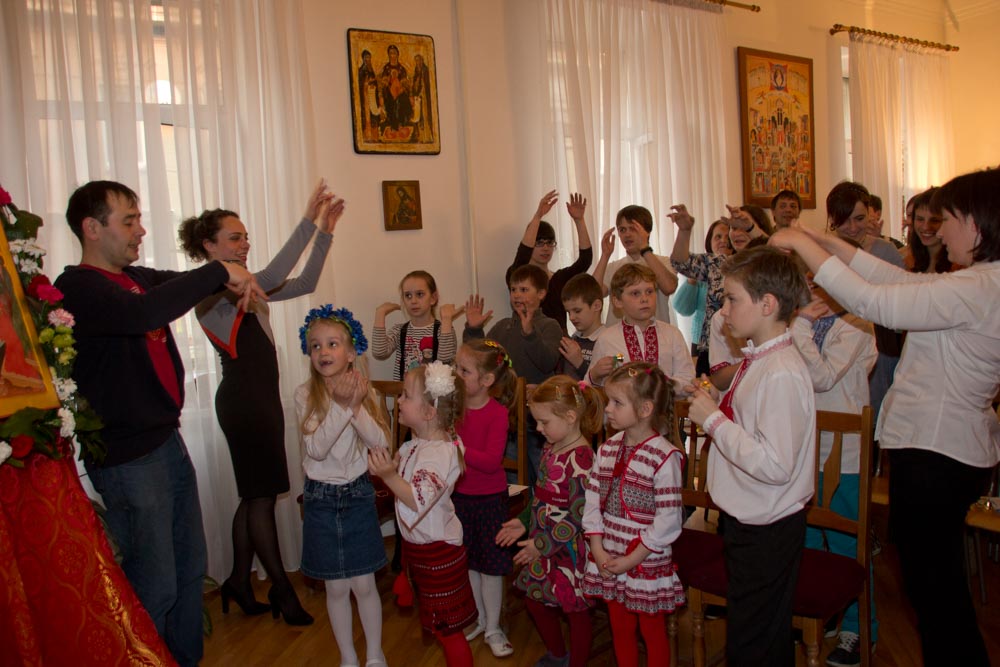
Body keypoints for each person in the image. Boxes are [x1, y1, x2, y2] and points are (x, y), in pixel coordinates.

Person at [769, 168, 1000, 667]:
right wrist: (821, 239)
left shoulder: (981, 287)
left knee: (937, 597)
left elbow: (875, 302)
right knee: (935, 594)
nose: (938, 230)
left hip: (939, 452)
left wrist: (801, 244)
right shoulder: (977, 282)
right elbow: (895, 280)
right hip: (940, 449)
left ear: (977, 224)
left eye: (948, 218)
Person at [55, 180, 265, 666]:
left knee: (190, 572)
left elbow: (177, 287)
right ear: (91, 228)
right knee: (155, 585)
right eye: (128, 220)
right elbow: (144, 313)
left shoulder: (134, 276)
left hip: (167, 445)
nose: (141, 230)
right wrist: (220, 270)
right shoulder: (79, 286)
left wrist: (228, 274)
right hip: (129, 460)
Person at [178, 181, 342, 625]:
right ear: (209, 246)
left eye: (245, 236)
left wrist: (325, 231)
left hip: (259, 401)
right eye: (235, 238)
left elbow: (304, 282)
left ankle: (237, 580)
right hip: (244, 404)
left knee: (255, 496)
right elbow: (270, 276)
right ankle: (283, 592)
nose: (244, 244)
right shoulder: (212, 290)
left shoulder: (243, 286)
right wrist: (308, 219)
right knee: (262, 497)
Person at [685, 246, 815, 667]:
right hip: (752, 519)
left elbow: (774, 465)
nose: (723, 310)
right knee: (758, 634)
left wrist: (712, 420)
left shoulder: (780, 371)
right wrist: (714, 401)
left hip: (767, 527)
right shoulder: (761, 359)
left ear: (767, 304)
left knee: (753, 641)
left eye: (731, 299)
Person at [295, 305, 390, 666]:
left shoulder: (365, 392)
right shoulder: (304, 395)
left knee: (364, 585)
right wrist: (340, 406)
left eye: (332, 344)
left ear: (351, 353)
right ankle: (348, 657)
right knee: (335, 587)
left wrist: (355, 405)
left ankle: (375, 655)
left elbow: (379, 443)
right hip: (320, 499)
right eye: (316, 345)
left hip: (357, 494)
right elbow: (317, 449)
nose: (323, 351)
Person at [790, 276, 878, 667]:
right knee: (808, 539)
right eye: (808, 280)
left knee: (846, 543)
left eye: (821, 281)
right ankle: (819, 612)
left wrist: (799, 326)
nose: (813, 288)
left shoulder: (857, 323)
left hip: (844, 452)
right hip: (806, 446)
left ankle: (858, 628)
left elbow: (823, 377)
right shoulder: (802, 320)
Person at [368, 362, 478, 667]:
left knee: (448, 629)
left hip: (438, 553)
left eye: (406, 395)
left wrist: (389, 476)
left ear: (429, 412)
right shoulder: (416, 445)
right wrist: (387, 470)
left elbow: (417, 498)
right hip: (421, 552)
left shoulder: (439, 453)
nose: (399, 400)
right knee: (442, 628)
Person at [582, 362, 686, 667]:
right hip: (610, 552)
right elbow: (593, 500)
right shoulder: (607, 449)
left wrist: (632, 559)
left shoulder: (664, 457)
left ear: (644, 409)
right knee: (620, 628)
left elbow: (668, 521)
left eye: (617, 402)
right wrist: (597, 547)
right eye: (608, 401)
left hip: (644, 560)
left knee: (652, 632)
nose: (608, 409)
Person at [505, 375, 604, 667]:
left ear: (570, 417)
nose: (538, 428)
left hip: (568, 551)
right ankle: (558, 655)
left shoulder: (582, 459)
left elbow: (578, 516)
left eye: (544, 422)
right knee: (534, 601)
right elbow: (540, 494)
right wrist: (524, 521)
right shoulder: (551, 448)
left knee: (576, 611)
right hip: (542, 543)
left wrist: (541, 544)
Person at [452, 339, 519, 658]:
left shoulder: (498, 414)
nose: (456, 374)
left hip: (490, 500)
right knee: (469, 563)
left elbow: (492, 461)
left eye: (464, 370)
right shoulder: (454, 408)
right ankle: (479, 619)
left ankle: (493, 626)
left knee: (491, 568)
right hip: (459, 497)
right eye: (456, 367)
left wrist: (458, 447)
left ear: (487, 379)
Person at [826, 181, 904, 431]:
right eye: (844, 220)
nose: (852, 228)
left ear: (870, 214)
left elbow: (901, 304)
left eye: (859, 219)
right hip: (831, 344)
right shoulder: (820, 250)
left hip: (880, 344)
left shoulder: (885, 251)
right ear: (832, 219)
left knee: (874, 415)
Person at [587, 263, 694, 394]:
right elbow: (588, 388)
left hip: (665, 406)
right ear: (617, 301)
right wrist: (595, 374)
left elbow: (688, 378)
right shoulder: (606, 339)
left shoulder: (672, 335)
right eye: (635, 293)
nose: (644, 299)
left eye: (649, 291)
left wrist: (661, 384)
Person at [505, 191, 594, 332]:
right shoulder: (518, 276)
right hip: (526, 340)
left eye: (550, 243)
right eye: (539, 243)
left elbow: (585, 260)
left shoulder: (558, 279)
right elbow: (523, 254)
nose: (545, 248)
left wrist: (579, 220)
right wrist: (538, 216)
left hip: (558, 342)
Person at [463, 264, 562, 386]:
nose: (516, 295)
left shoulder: (549, 325)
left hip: (536, 395)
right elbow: (479, 358)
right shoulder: (502, 326)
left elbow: (547, 364)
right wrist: (473, 330)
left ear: (541, 293)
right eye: (513, 289)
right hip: (504, 394)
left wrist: (530, 334)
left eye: (523, 290)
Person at [669, 208, 736, 375]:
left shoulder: (753, 263)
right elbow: (679, 263)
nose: (724, 241)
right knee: (706, 388)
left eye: (728, 236)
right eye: (718, 237)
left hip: (743, 341)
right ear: (709, 242)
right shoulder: (711, 263)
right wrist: (684, 231)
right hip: (708, 344)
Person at [592, 204, 678, 326]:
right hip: (617, 335)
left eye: (633, 228)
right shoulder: (613, 267)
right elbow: (593, 295)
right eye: (622, 230)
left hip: (655, 334)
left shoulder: (663, 262)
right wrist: (605, 255)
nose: (627, 235)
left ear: (647, 232)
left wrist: (645, 248)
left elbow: (669, 287)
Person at [372, 269, 460, 380]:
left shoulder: (443, 330)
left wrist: (447, 320)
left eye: (419, 294)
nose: (413, 301)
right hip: (405, 390)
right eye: (408, 295)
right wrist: (380, 313)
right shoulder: (399, 330)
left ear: (433, 298)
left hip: (434, 391)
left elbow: (445, 360)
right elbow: (379, 353)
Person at [558, 273, 605, 381]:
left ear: (596, 306)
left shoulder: (610, 340)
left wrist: (580, 363)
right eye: (568, 312)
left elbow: (610, 381)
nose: (571, 317)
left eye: (577, 311)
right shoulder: (572, 340)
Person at [903, 187, 953, 274]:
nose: (926, 227)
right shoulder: (909, 261)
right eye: (920, 219)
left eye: (934, 220)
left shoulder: (960, 264)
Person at [379, 44, 412, 136]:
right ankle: (393, 126)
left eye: (394, 53)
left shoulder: (401, 69)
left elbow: (405, 85)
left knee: (402, 100)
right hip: (389, 94)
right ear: (388, 55)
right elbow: (383, 84)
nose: (392, 55)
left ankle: (401, 124)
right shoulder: (386, 68)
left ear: (397, 54)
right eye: (391, 53)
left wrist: (401, 89)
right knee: (391, 102)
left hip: (400, 93)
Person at [357, 49, 382, 142]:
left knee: (374, 117)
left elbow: (374, 82)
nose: (368, 59)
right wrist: (368, 83)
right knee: (368, 117)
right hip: (366, 97)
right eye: (366, 57)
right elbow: (361, 84)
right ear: (363, 59)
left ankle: (375, 137)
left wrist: (375, 83)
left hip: (373, 96)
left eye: (369, 57)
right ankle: (368, 137)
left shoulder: (371, 70)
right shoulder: (361, 71)